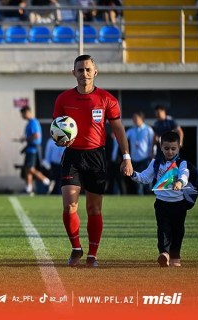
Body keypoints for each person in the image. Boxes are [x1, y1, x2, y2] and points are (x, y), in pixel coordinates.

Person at [53, 54, 133, 268]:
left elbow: (118, 130)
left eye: (88, 69)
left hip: (97, 156)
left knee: (94, 209)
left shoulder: (107, 99)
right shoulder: (63, 99)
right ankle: (76, 248)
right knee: (70, 205)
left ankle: (93, 255)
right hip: (72, 156)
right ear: (73, 73)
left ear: (95, 72)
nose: (84, 74)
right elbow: (57, 127)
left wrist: (126, 157)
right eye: (80, 70)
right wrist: (59, 140)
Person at [130, 132, 190, 267]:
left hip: (179, 204)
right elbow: (145, 177)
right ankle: (164, 253)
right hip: (161, 203)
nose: (170, 151)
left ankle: (175, 257)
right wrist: (132, 174)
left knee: (178, 230)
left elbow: (185, 174)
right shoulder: (155, 163)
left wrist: (180, 182)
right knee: (163, 229)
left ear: (178, 148)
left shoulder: (181, 163)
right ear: (161, 147)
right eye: (167, 148)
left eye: (173, 149)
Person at [17, 105, 50, 195]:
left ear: (26, 112)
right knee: (27, 169)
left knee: (30, 168)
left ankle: (45, 180)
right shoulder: (29, 123)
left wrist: (25, 139)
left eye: (22, 114)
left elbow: (36, 135)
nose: (22, 116)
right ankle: (29, 188)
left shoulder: (33, 122)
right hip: (29, 149)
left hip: (33, 149)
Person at [125, 111, 154, 194]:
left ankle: (148, 193)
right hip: (134, 158)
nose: (134, 120)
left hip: (145, 158)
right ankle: (139, 193)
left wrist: (152, 154)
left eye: (136, 118)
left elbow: (152, 143)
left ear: (141, 118)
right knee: (137, 179)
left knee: (147, 177)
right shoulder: (131, 130)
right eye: (133, 118)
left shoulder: (148, 129)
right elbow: (123, 138)